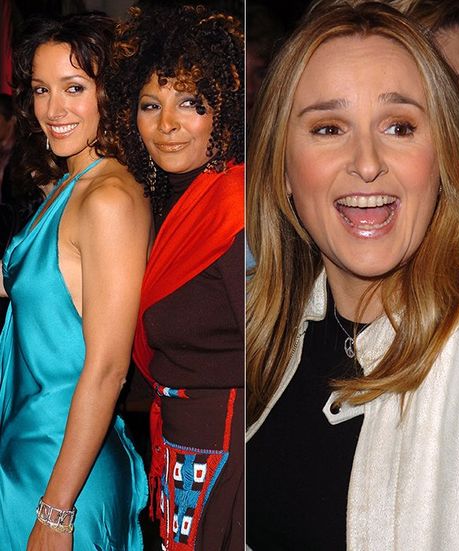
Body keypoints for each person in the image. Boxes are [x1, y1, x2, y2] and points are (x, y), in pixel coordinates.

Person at [244, 3, 459, 549]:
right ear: (282, 168)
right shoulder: (259, 329)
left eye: (399, 127)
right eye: (329, 128)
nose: (367, 161)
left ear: (444, 155)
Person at [0, 12, 149, 549]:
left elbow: (108, 369)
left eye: (74, 88)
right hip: (29, 456)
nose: (53, 109)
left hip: (64, 476)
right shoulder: (72, 185)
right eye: (42, 90)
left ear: (111, 93)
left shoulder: (108, 199)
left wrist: (56, 512)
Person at [106, 5, 245, 549]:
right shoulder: (164, 201)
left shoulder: (235, 206)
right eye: (150, 105)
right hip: (181, 444)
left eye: (189, 102)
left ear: (222, 109)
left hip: (232, 451)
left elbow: (277, 352)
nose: (166, 124)